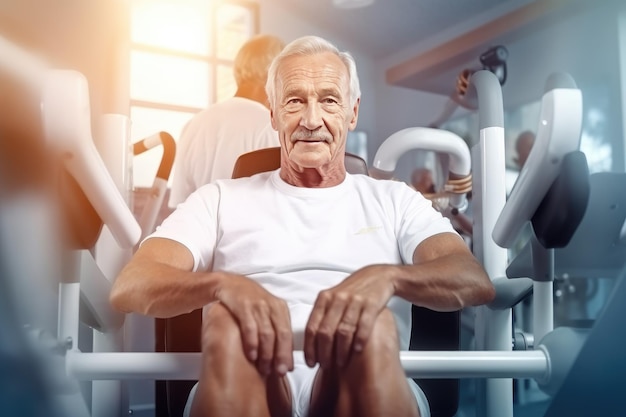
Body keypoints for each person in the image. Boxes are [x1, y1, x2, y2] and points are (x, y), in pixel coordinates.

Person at [110, 35, 495, 417]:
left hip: (365, 374)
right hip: (248, 377)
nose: (312, 120)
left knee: (372, 328)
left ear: (352, 112)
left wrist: (389, 279)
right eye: (295, 101)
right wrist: (222, 286)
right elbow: (133, 284)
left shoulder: (395, 199)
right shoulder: (219, 198)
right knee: (230, 324)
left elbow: (471, 278)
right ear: (274, 114)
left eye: (329, 100)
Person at [168, 34, 285, 208]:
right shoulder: (270, 126)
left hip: (202, 232)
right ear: (275, 73)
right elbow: (281, 205)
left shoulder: (192, 125)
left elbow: (180, 204)